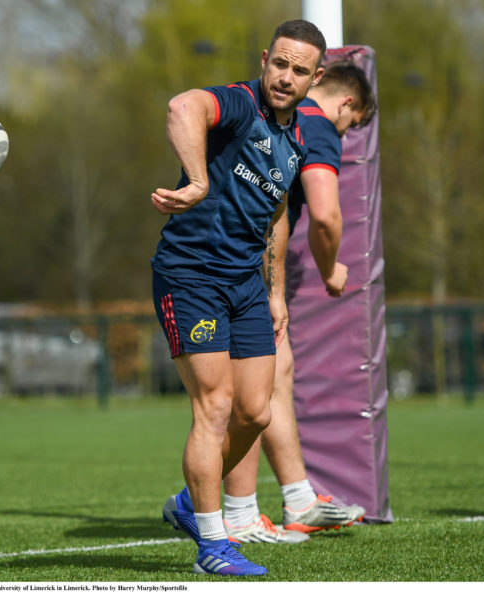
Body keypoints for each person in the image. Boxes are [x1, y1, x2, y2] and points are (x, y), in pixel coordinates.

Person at [163, 62, 378, 546]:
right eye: (354, 123)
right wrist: (329, 269)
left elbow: (277, 209)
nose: (348, 131)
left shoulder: (287, 125)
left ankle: (275, 500)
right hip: (213, 272)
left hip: (250, 273)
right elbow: (323, 213)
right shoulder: (316, 126)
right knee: (237, 400)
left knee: (261, 397)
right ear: (346, 103)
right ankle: (241, 514)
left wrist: (274, 290)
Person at [151, 19, 326, 576]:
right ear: (264, 60)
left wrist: (275, 292)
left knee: (256, 410)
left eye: (300, 70)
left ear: (314, 78)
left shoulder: (297, 139)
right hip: (191, 277)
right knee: (217, 405)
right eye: (280, 63)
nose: (286, 77)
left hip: (247, 286)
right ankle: (212, 545)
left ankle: (187, 502)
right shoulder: (239, 104)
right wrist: (198, 181)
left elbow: (277, 215)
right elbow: (183, 107)